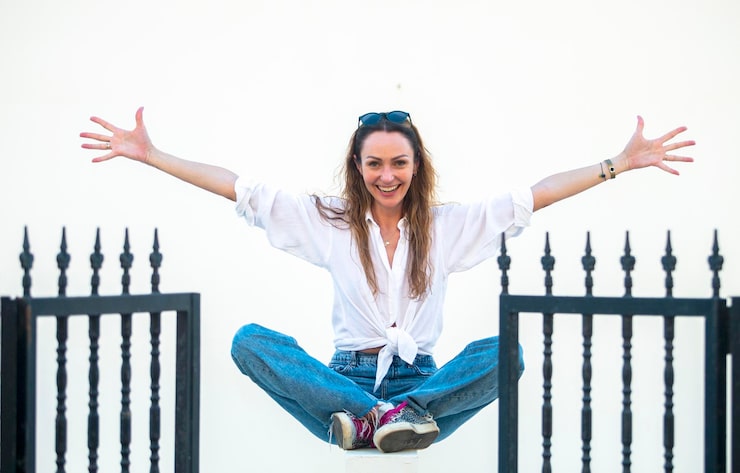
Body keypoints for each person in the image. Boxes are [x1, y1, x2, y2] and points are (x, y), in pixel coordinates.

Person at [81, 108, 694, 453]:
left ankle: (399, 416)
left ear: (416, 166)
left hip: (424, 387)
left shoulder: (447, 228)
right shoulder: (329, 222)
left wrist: (619, 163)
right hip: (342, 387)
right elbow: (239, 189)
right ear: (358, 167)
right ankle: (378, 418)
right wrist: (152, 156)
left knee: (507, 352)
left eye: (399, 162)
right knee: (250, 343)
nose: (387, 175)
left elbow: (535, 195)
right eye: (374, 163)